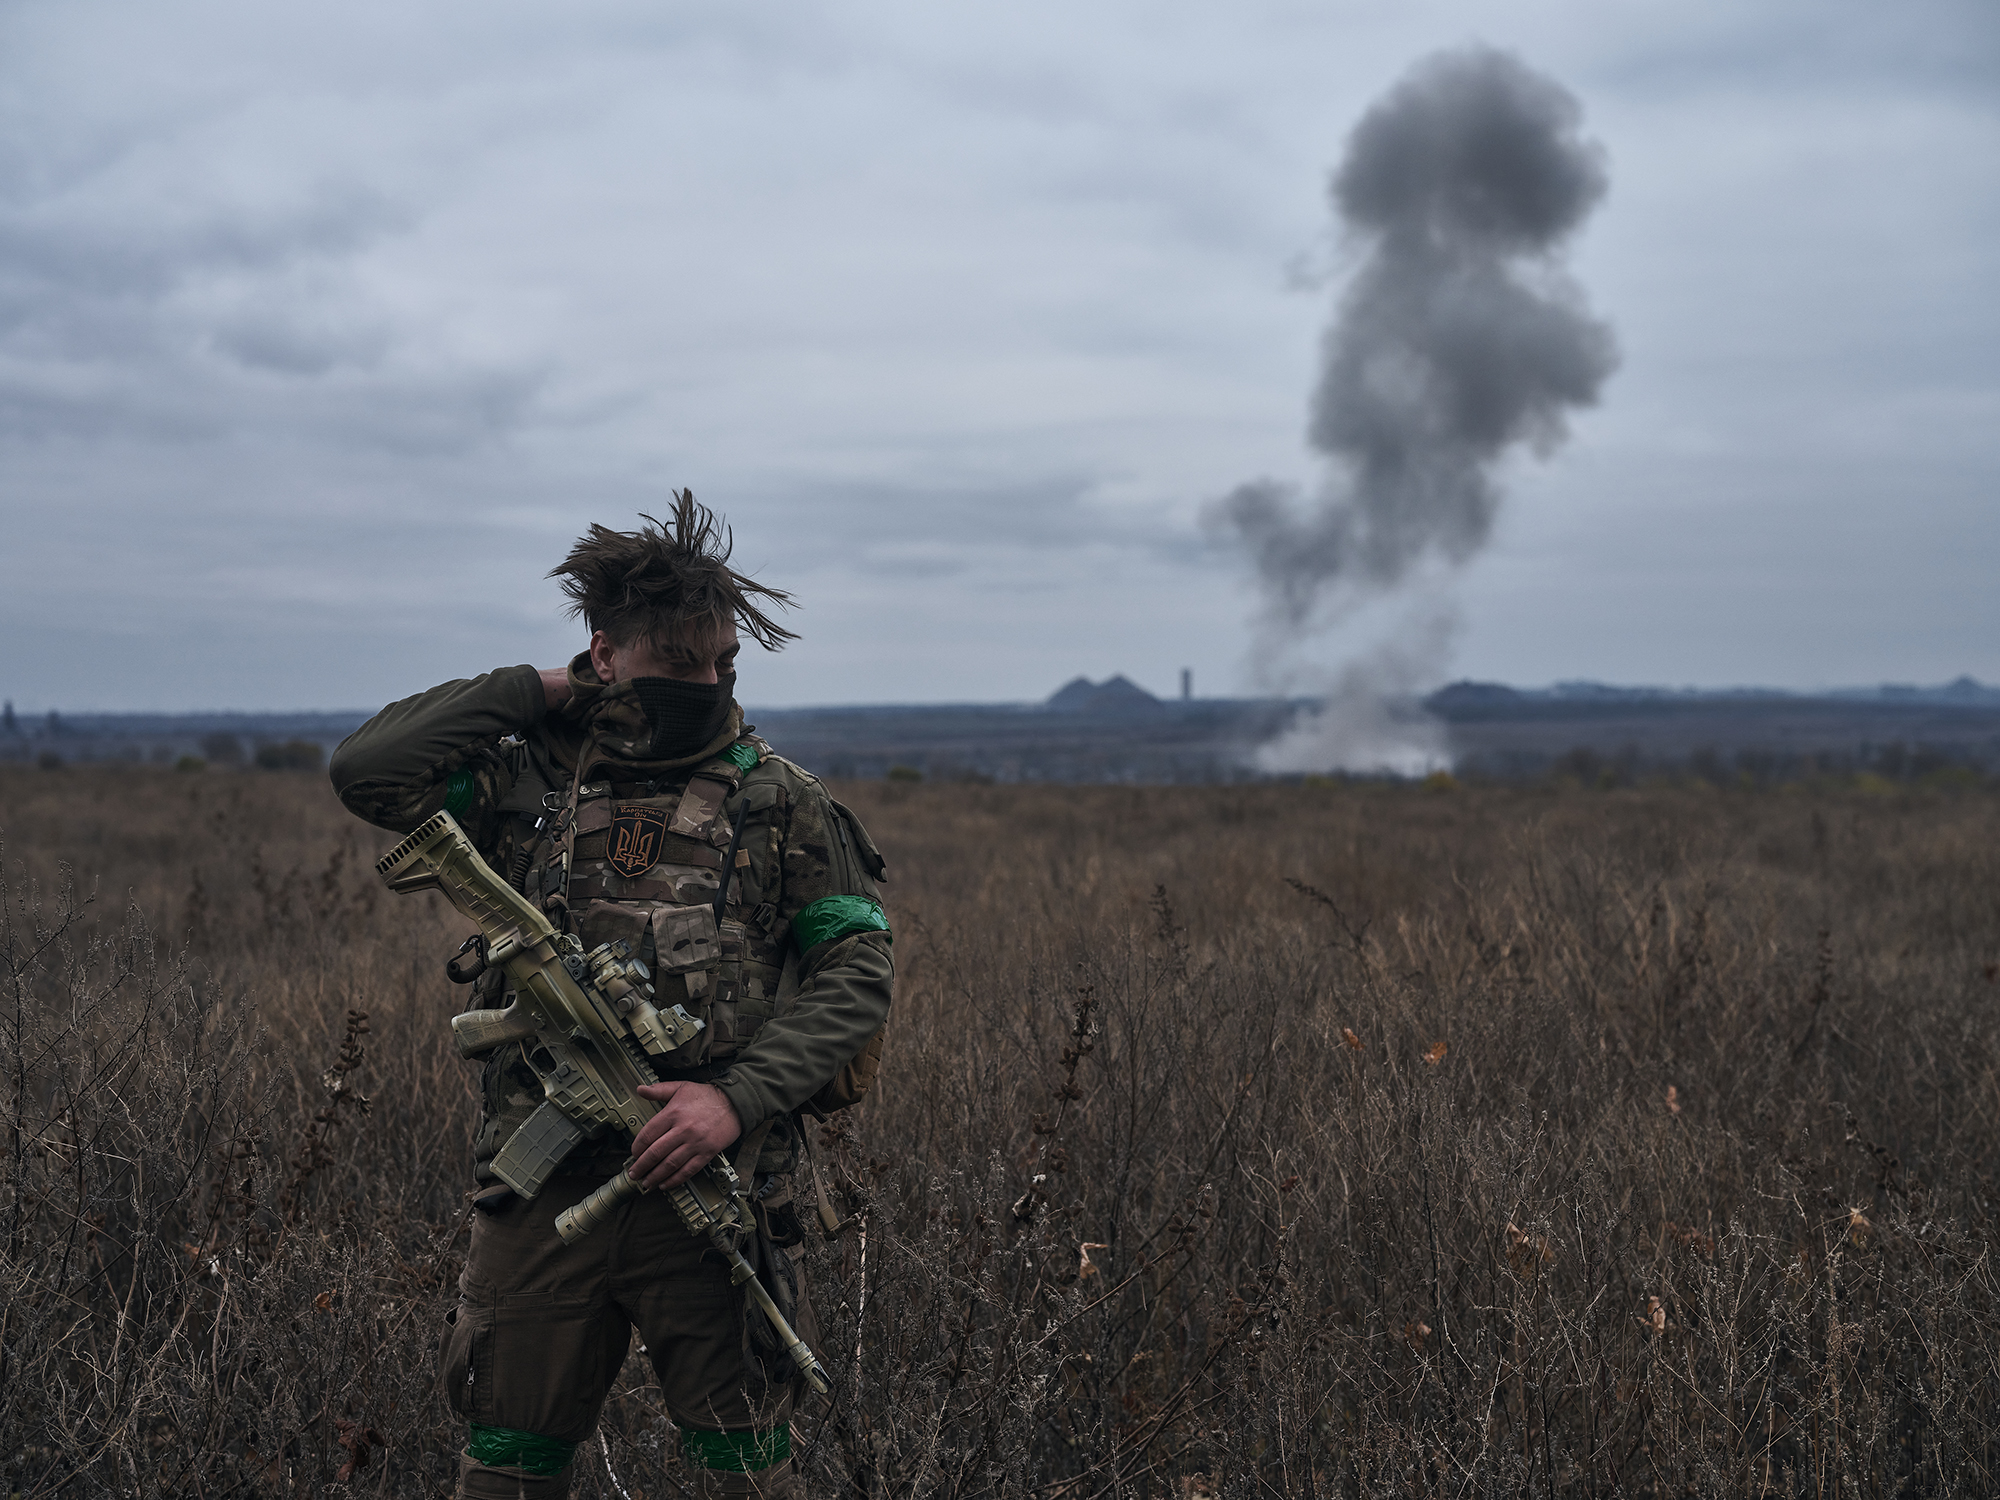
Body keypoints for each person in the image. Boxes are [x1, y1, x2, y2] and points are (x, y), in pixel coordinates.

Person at [330, 495, 893, 1499]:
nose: (709, 683)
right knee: (506, 1469)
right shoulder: (528, 786)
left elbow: (857, 978)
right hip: (538, 1195)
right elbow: (369, 771)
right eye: (681, 662)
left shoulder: (782, 803)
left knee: (746, 1477)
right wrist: (536, 691)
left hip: (714, 1194)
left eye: (723, 662)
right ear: (608, 655)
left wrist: (733, 1100)